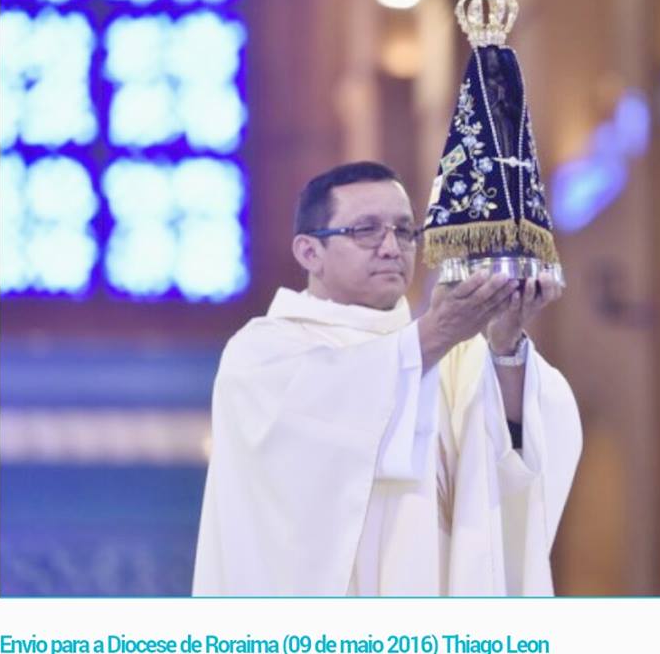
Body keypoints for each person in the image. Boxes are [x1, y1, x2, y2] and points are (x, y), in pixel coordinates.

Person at [192, 161, 582, 596]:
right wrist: (436, 333)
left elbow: (511, 467)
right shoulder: (262, 353)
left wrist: (506, 346)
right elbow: (317, 432)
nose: (391, 247)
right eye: (365, 231)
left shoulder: (451, 351)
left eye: (404, 231)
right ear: (309, 252)